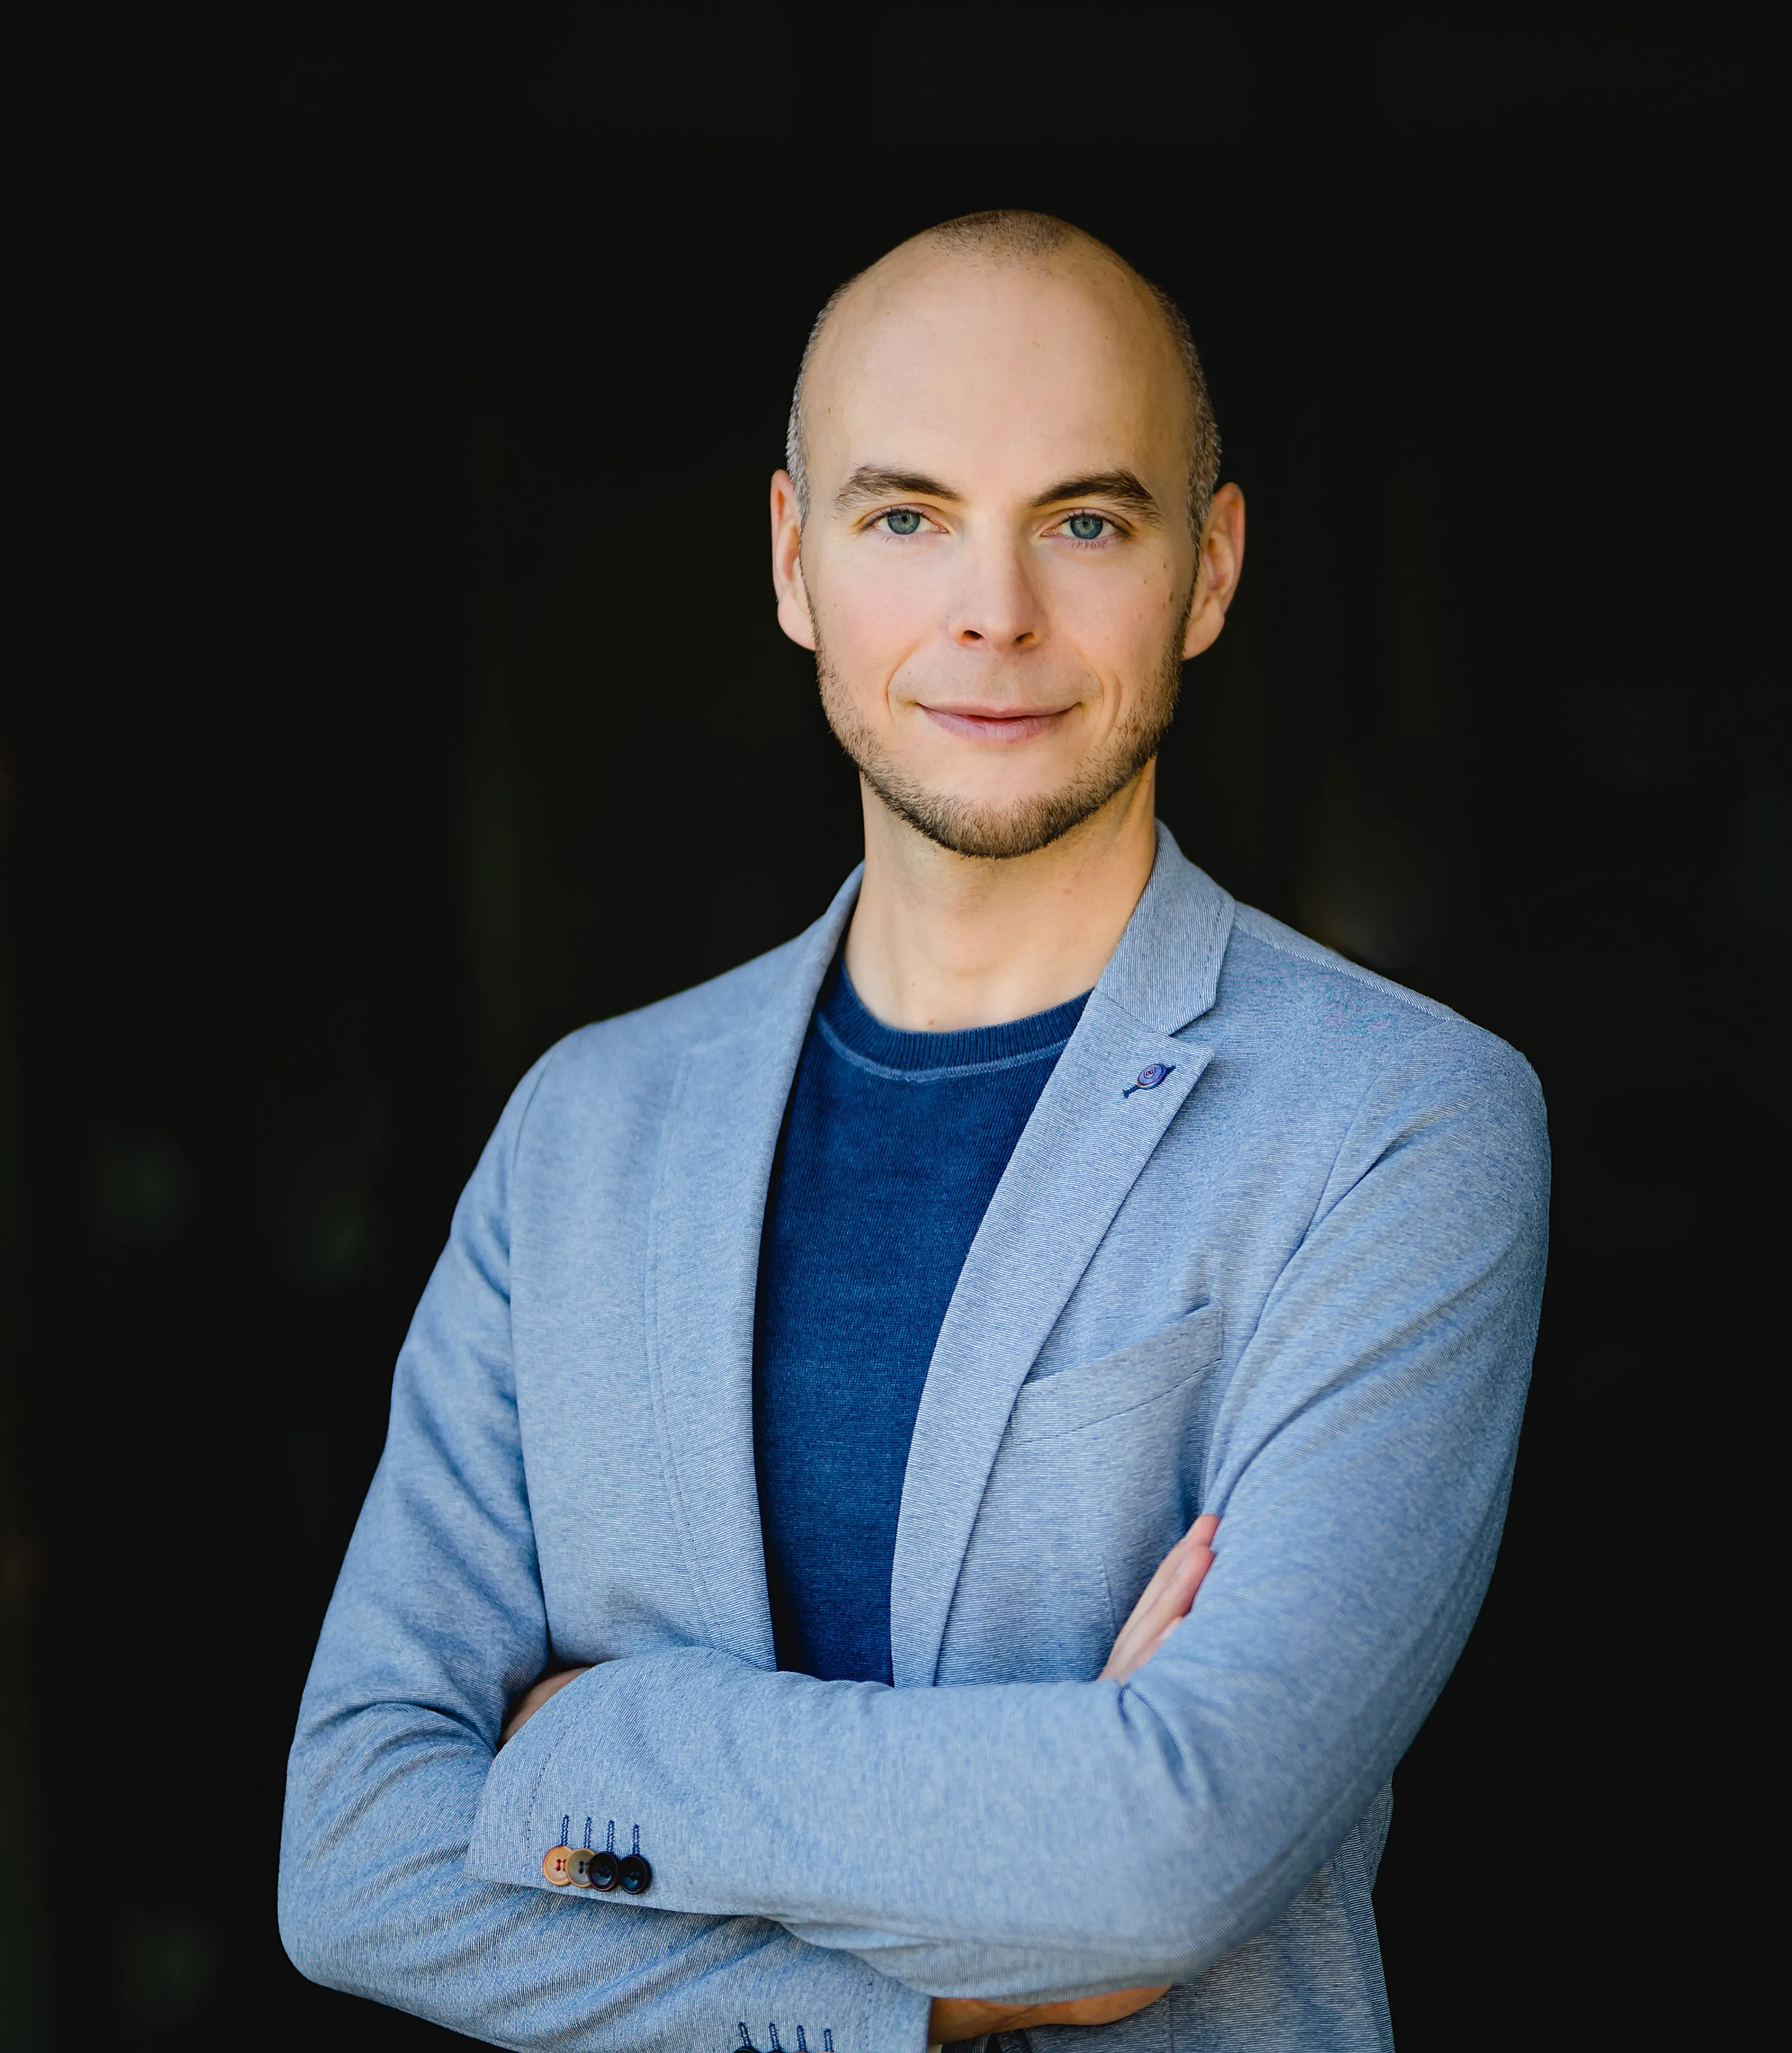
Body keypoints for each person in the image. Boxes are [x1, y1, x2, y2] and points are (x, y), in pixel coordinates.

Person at [279, 209, 1549, 2052]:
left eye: (1087, 521)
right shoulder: (585, 1128)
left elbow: (1166, 1861)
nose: (996, 613)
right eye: (907, 516)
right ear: (796, 559)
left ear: (1211, 569)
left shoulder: (1400, 1121)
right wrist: (956, 1992)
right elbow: (353, 1859)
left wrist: (601, 1741)